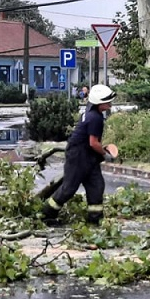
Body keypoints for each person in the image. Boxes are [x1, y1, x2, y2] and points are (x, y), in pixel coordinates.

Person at [42, 84, 117, 226]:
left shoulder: (91, 113)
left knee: (96, 186)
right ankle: (47, 216)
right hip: (78, 156)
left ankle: (95, 219)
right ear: (98, 102)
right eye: (107, 102)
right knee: (68, 188)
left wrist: (100, 151)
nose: (110, 105)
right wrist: (105, 154)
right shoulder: (95, 118)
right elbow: (93, 143)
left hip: (88, 156)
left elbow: (92, 142)